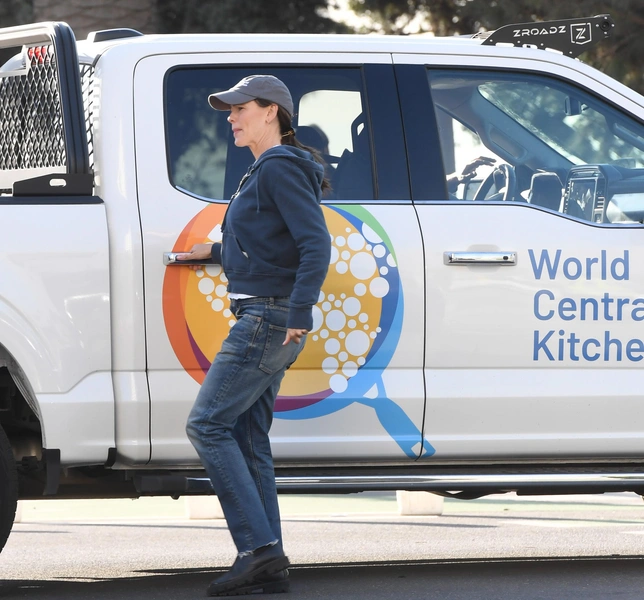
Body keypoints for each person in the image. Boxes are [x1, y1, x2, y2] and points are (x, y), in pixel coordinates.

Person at [177, 75, 331, 597]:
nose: (231, 117)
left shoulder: (280, 166)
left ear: (272, 112)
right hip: (267, 312)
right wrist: (216, 253)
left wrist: (301, 310)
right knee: (246, 436)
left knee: (207, 425)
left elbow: (315, 243)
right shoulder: (265, 169)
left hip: (270, 317)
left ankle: (257, 550)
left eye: (240, 109)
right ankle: (272, 561)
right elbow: (274, 244)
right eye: (229, 110)